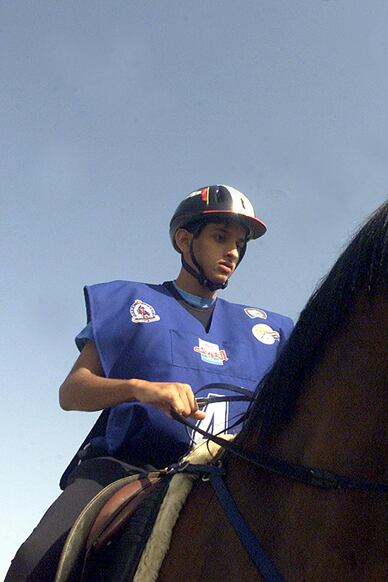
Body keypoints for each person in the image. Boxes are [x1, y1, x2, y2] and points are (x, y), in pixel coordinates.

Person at [6, 185, 293, 581]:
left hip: (229, 477)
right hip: (129, 466)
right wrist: (141, 389)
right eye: (220, 238)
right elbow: (71, 392)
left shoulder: (272, 330)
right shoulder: (131, 302)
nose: (233, 253)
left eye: (240, 244)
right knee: (32, 561)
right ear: (184, 240)